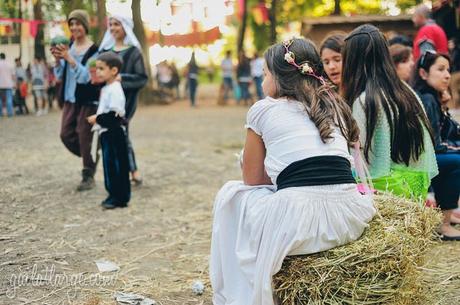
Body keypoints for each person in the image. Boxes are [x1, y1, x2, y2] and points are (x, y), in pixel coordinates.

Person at [210, 37, 376, 305]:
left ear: (277, 77)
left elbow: (252, 180)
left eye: (264, 74)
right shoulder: (334, 105)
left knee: (231, 195)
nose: (262, 82)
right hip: (349, 217)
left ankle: (237, 289)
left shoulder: (263, 109)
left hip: (298, 224)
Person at [341, 24, 438, 201]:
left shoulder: (365, 100)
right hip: (416, 187)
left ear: (351, 62)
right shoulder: (405, 91)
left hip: (389, 191)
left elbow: (359, 157)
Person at [51, 9, 102, 191]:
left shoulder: (95, 51)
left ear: (85, 26)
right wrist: (58, 60)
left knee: (83, 133)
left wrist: (70, 59)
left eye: (78, 23)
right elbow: (59, 74)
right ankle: (91, 156)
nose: (74, 27)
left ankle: (87, 174)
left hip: (87, 100)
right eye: (71, 24)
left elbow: (87, 77)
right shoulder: (68, 46)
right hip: (69, 99)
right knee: (66, 135)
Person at [412, 51, 460, 240]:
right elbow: (433, 145)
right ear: (423, 74)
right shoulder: (427, 99)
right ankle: (444, 223)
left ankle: (448, 215)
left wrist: (444, 107)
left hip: (429, 155)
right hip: (422, 158)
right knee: (456, 162)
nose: (447, 75)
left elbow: (449, 133)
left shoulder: (434, 98)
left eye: (448, 70)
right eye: (440, 69)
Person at [99, 15, 148, 186]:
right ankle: (127, 170)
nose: (112, 28)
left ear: (125, 27)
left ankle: (131, 170)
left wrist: (121, 78)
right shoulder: (105, 51)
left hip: (126, 101)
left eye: (116, 24)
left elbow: (142, 78)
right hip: (107, 99)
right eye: (110, 24)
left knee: (121, 130)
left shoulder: (134, 52)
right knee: (113, 133)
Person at [87, 52, 130, 209]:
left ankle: (118, 196)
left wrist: (97, 119)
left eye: (101, 69)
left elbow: (115, 115)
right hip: (106, 133)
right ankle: (115, 195)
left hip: (113, 133)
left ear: (113, 70)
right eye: (97, 68)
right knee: (109, 164)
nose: (97, 72)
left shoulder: (115, 90)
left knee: (115, 165)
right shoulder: (107, 88)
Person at [0, 53, 15, 117]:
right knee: (9, 99)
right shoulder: (10, 64)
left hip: (0, 85)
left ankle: (0, 113)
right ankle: (10, 113)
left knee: (0, 100)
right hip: (9, 84)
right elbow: (13, 76)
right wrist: (14, 83)